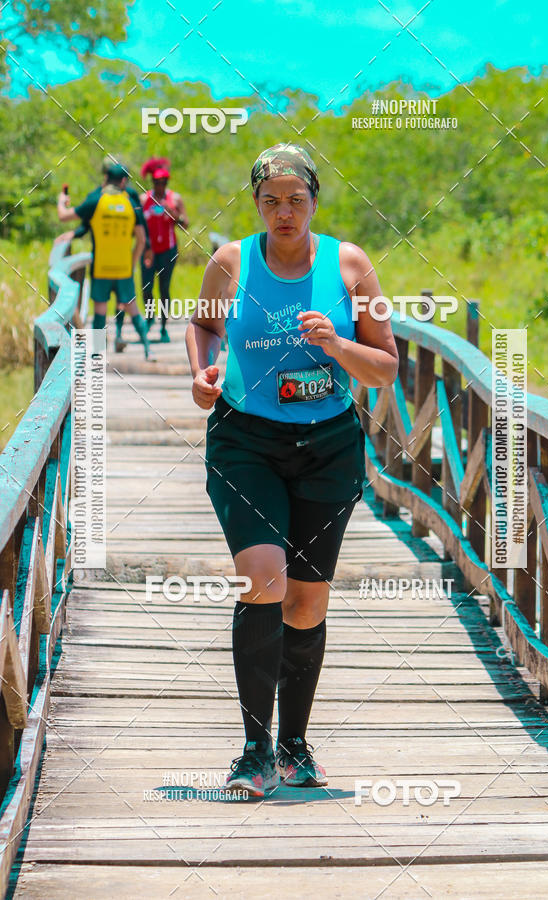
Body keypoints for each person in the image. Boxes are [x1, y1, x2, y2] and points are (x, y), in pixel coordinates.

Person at [185, 144, 398, 799]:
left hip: (329, 447)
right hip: (245, 443)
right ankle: (253, 752)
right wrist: (203, 372)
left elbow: (386, 366)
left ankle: (294, 747)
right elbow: (203, 326)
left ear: (314, 201)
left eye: (295, 199)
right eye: (270, 200)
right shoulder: (230, 263)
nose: (283, 211)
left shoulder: (351, 264)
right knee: (264, 581)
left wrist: (336, 344)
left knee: (306, 602)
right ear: (255, 203)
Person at [57, 156, 153, 359]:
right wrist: (132, 263)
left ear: (106, 177)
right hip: (123, 268)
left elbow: (64, 216)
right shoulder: (131, 203)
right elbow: (142, 239)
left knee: (100, 311)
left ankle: (97, 355)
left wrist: (61, 201)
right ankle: (147, 349)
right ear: (124, 182)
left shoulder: (96, 200)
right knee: (133, 309)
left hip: (101, 268)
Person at [140, 157, 188, 343]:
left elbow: (185, 224)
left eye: (164, 182)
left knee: (164, 289)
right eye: (157, 182)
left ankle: (163, 327)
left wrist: (173, 212)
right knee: (146, 288)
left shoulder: (174, 199)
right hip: (148, 251)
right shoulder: (144, 199)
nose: (160, 185)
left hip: (168, 250)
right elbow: (137, 225)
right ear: (152, 181)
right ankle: (150, 316)